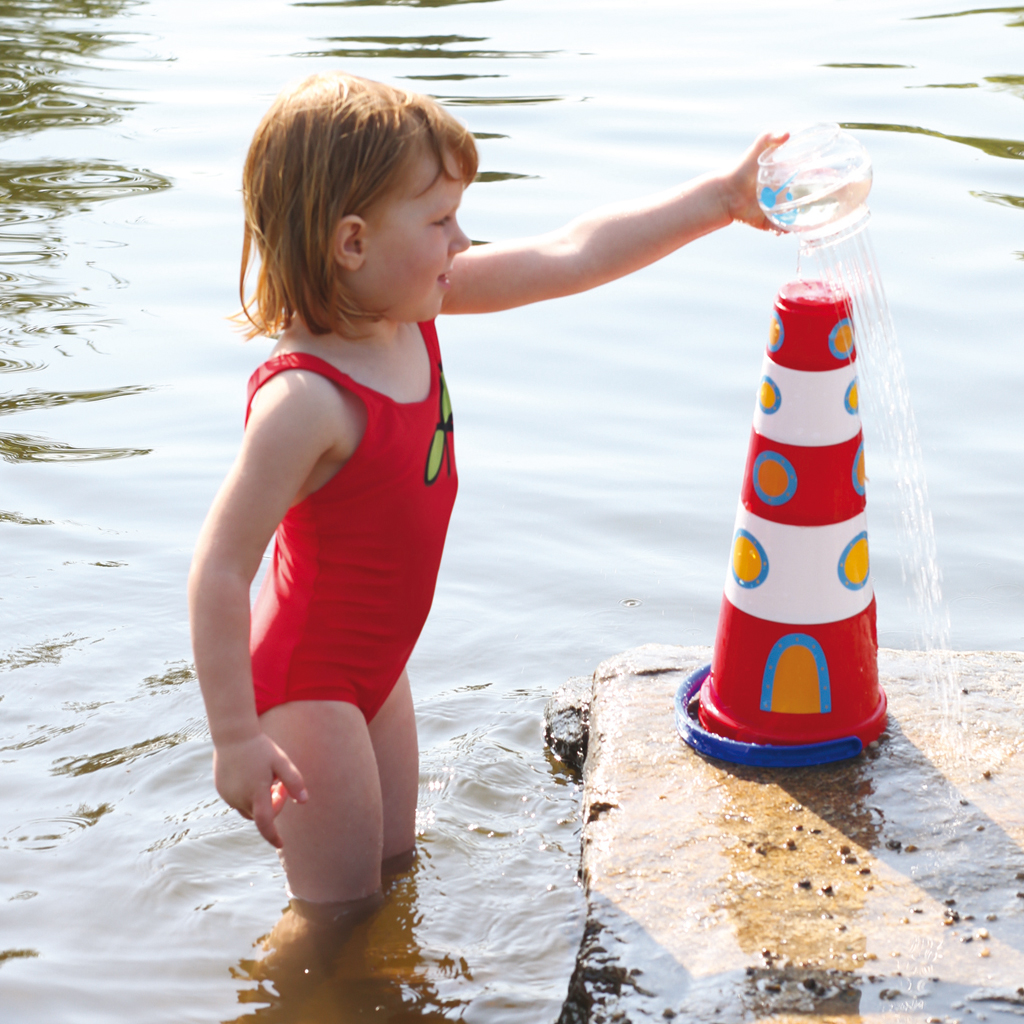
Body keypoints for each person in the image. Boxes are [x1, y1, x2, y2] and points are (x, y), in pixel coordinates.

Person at [188, 70, 786, 916]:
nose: (462, 242)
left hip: (377, 670)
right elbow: (217, 570)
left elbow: (571, 253)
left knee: (396, 880)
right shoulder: (304, 401)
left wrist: (721, 199)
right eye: (439, 221)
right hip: (308, 685)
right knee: (335, 920)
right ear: (351, 243)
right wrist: (236, 740)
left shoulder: (411, 305)